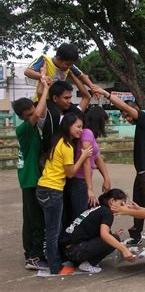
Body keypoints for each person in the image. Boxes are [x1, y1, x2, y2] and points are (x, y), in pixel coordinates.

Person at [93, 87, 145, 246]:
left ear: (134, 110)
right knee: (137, 203)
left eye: (127, 115)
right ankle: (136, 234)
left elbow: (125, 107)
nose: (127, 118)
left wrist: (106, 94)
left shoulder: (144, 119)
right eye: (124, 116)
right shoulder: (141, 125)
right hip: (141, 172)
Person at [36, 112, 92, 275]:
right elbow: (70, 173)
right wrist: (83, 156)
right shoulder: (66, 147)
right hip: (52, 191)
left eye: (82, 127)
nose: (81, 130)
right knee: (53, 232)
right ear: (68, 126)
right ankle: (55, 267)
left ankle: (57, 261)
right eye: (78, 127)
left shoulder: (58, 140)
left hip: (43, 188)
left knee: (54, 229)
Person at [12, 74, 49, 270]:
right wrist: (47, 91)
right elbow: (37, 112)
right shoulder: (25, 129)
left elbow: (38, 105)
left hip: (29, 179)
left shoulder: (31, 128)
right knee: (36, 220)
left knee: (30, 219)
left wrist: (42, 83)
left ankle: (31, 253)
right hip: (30, 180)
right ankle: (34, 257)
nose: (34, 115)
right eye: (29, 115)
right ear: (22, 117)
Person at [61, 189, 135, 274]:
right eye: (121, 204)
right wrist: (124, 249)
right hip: (76, 251)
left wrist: (112, 235)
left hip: (67, 250)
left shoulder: (98, 208)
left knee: (112, 238)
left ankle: (79, 261)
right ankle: (88, 264)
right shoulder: (107, 213)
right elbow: (104, 235)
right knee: (115, 239)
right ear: (111, 201)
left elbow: (95, 231)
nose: (123, 207)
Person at [63, 107, 111, 226]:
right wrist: (89, 188)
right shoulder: (87, 133)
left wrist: (106, 178)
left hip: (81, 180)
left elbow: (97, 157)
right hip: (79, 180)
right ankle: (76, 242)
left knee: (82, 213)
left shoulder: (89, 134)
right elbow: (85, 161)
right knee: (80, 216)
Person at [39, 74, 91, 156]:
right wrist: (42, 77)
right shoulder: (47, 114)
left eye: (70, 97)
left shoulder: (73, 114)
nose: (69, 101)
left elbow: (87, 97)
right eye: (66, 98)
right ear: (55, 98)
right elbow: (40, 94)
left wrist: (73, 74)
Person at [24, 42, 96, 101]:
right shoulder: (45, 60)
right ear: (59, 59)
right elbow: (27, 71)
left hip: (57, 102)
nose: (69, 67)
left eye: (72, 64)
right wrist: (42, 76)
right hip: (41, 100)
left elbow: (82, 76)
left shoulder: (70, 66)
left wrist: (92, 87)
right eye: (67, 64)